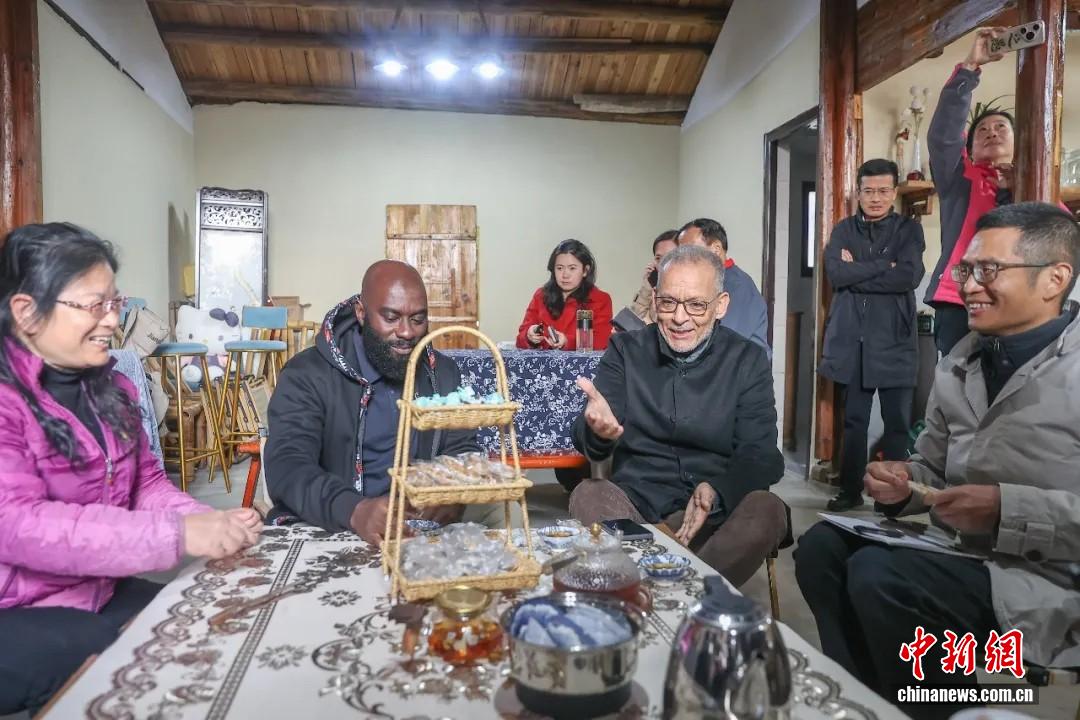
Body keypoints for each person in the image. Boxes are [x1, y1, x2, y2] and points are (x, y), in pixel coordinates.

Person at [795, 203, 1080, 719]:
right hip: (960, 555)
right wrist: (904, 483)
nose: (967, 286)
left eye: (988, 270)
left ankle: (942, 709)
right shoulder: (961, 360)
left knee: (881, 577)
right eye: (964, 270)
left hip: (1051, 584)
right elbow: (932, 468)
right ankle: (874, 704)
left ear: (1054, 279)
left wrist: (1005, 509)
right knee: (821, 549)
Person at [0, 223, 262, 716]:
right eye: (93, 305)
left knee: (205, 623)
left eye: (114, 302)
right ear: (26, 312)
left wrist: (209, 521)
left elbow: (146, 484)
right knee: (112, 658)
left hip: (94, 588)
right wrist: (177, 535)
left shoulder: (113, 388)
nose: (112, 321)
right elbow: (17, 525)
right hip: (14, 608)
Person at [568, 245, 788, 586]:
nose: (680, 318)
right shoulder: (625, 350)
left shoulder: (748, 360)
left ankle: (685, 593)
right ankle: (654, 587)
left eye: (696, 305)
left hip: (714, 515)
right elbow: (589, 433)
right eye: (669, 302)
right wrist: (598, 431)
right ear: (655, 300)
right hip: (637, 508)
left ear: (721, 305)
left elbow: (762, 456)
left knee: (767, 508)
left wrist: (718, 491)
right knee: (588, 493)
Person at [265, 260, 516, 545]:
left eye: (418, 319)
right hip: (340, 511)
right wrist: (354, 510)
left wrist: (454, 493)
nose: (406, 332)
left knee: (505, 511)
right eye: (391, 317)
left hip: (419, 513)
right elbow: (287, 464)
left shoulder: (442, 373)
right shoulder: (308, 373)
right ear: (361, 313)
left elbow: (461, 447)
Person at [819, 159, 926, 511]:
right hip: (855, 343)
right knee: (854, 422)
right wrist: (883, 266)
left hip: (896, 341)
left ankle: (890, 498)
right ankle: (849, 491)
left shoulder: (909, 230)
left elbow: (908, 277)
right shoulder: (843, 230)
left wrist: (858, 270)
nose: (875, 198)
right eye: (868, 191)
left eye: (883, 191)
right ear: (858, 193)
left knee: (897, 424)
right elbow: (837, 274)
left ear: (894, 193)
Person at [926, 27, 1015, 355]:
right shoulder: (959, 178)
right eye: (982, 131)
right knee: (956, 383)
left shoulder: (1038, 182)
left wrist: (1017, 188)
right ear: (970, 149)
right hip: (959, 302)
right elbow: (943, 136)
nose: (992, 132)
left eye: (1001, 128)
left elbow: (1062, 235)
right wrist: (969, 67)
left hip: (1018, 303)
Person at [676, 218, 770, 352]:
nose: (683, 259)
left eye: (690, 251)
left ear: (716, 249)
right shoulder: (710, 281)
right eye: (679, 253)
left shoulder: (736, 286)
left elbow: (724, 342)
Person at [516, 240, 613, 351]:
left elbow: (601, 341)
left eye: (572, 268)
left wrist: (567, 341)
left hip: (581, 362)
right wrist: (529, 335)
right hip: (542, 361)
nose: (565, 275)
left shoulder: (600, 299)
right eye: (559, 268)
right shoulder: (540, 295)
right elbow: (520, 338)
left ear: (585, 271)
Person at [630, 229, 678, 323]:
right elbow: (634, 321)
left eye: (669, 257)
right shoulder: (655, 290)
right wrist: (647, 285)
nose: (662, 263)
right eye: (658, 258)